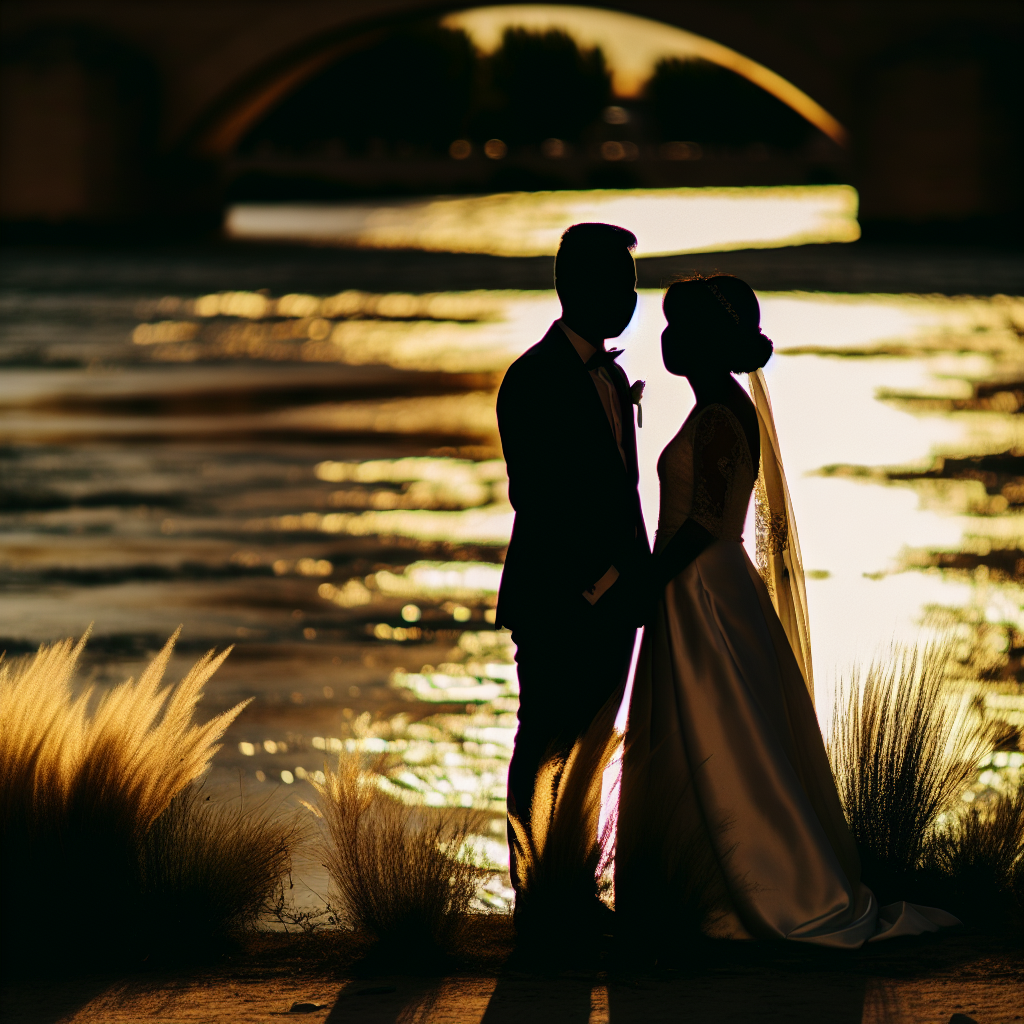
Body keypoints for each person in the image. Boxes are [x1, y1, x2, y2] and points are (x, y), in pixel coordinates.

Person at [614, 274, 958, 947]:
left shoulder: (719, 415)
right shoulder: (718, 405)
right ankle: (703, 888)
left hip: (700, 592)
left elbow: (705, 523)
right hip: (701, 589)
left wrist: (642, 581)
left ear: (710, 342)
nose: (666, 339)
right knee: (713, 740)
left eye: (679, 327)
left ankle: (757, 891)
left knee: (726, 742)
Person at [495, 222, 649, 900]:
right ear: (576, 285)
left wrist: (634, 584)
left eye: (633, 282)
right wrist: (598, 583)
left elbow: (622, 495)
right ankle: (535, 897)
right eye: (621, 281)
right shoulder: (532, 378)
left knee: (590, 749)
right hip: (559, 600)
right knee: (543, 744)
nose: (632, 296)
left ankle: (576, 891)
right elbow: (538, 497)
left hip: (615, 606)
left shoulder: (612, 376)